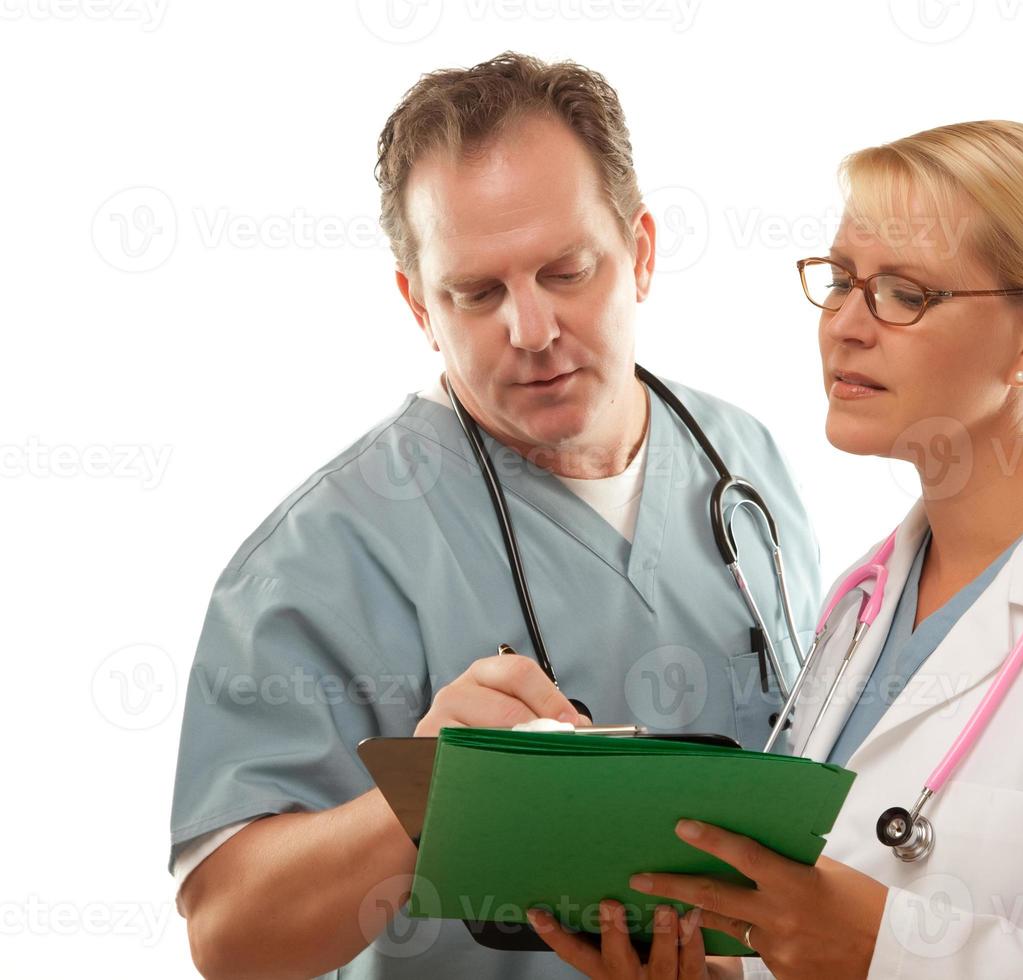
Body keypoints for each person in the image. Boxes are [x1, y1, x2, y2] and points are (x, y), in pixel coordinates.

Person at [533, 121, 1023, 978]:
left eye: (904, 294)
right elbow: (817, 929)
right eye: (840, 280)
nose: (844, 324)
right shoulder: (864, 602)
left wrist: (893, 953)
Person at [169, 52, 819, 979]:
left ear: (639, 251)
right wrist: (428, 792)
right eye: (477, 293)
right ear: (417, 304)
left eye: (567, 271)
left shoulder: (742, 463)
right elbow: (230, 936)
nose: (532, 329)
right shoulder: (325, 552)